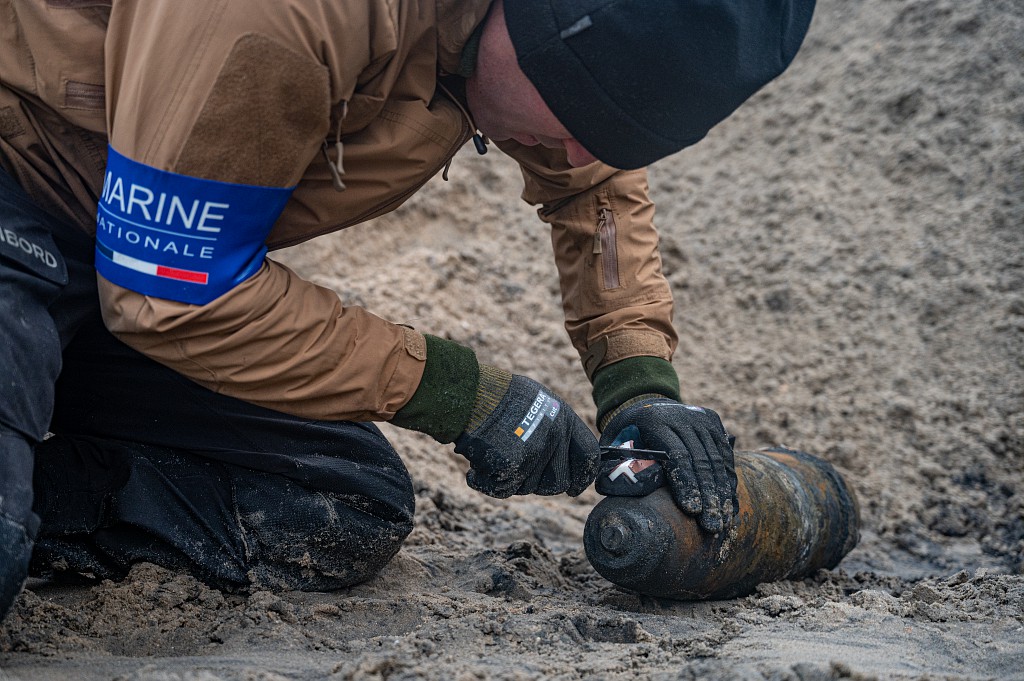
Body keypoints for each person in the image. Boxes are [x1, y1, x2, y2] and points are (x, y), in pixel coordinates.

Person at [0, 0, 815, 620]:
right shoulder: (286, 15)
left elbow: (593, 180)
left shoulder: (521, 49)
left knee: (336, 505)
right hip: (27, 190)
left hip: (134, 244)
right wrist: (465, 394)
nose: (576, 152)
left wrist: (639, 387)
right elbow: (172, 290)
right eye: (582, 115)